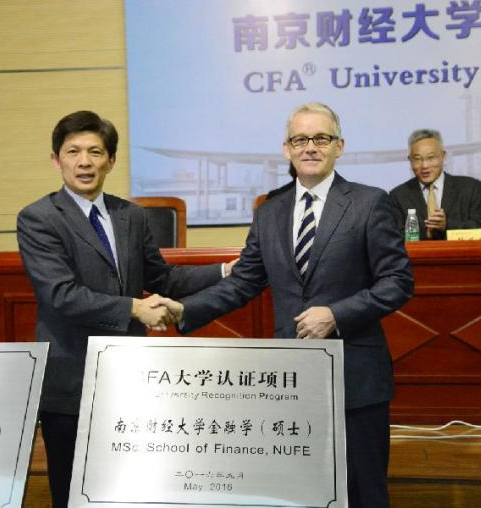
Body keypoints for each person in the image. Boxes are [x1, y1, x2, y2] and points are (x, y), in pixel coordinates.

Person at [164, 102, 414, 508]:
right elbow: (244, 281)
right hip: (291, 380)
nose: (310, 147)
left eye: (321, 138)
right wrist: (185, 310)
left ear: (339, 146)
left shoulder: (370, 202)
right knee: (300, 491)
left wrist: (336, 315)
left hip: (356, 374)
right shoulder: (270, 210)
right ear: (287, 149)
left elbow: (398, 282)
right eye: (300, 139)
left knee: (363, 491)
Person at [17, 110, 232, 508]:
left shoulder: (130, 215)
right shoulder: (38, 218)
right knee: (73, 491)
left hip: (130, 376)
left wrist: (224, 270)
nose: (85, 162)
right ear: (56, 160)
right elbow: (61, 295)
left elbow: (164, 279)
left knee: (132, 487)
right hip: (72, 378)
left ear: (111, 161)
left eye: (95, 152)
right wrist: (134, 308)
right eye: (73, 152)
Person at [389, 129, 481, 240]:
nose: (424, 166)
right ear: (410, 160)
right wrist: (427, 234)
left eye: (431, 157)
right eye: (417, 159)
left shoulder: (470, 188)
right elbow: (393, 237)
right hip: (418, 252)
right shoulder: (398, 196)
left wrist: (447, 226)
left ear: (443, 156)